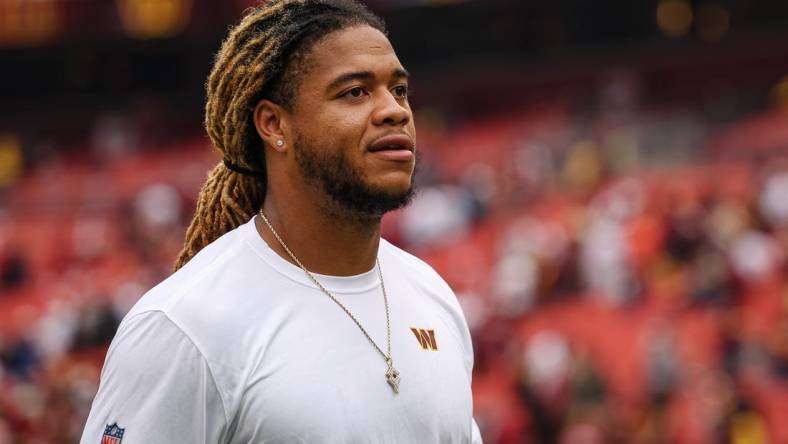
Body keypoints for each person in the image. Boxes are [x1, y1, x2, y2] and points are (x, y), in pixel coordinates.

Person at [80, 0, 481, 442]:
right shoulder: (185, 326)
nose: (395, 111)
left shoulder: (432, 295)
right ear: (274, 124)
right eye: (355, 92)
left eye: (399, 90)